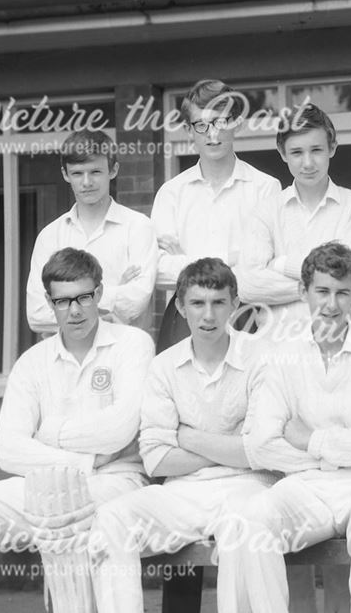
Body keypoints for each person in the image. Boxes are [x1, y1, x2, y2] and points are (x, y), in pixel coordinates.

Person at [0, 248, 153, 613]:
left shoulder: (132, 344)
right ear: (50, 302)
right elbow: (9, 450)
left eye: (83, 297)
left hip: (117, 480)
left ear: (98, 294)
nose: (75, 310)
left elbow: (121, 428)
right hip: (57, 480)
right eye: (63, 301)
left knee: (68, 505)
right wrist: (84, 460)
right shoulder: (33, 363)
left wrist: (49, 432)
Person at [219, 241, 351, 613]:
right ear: (303, 292)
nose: (331, 304)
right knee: (255, 517)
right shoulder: (280, 358)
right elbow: (261, 445)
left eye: (343, 293)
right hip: (308, 487)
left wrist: (312, 438)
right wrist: (347, 447)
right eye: (322, 291)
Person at [91, 258, 276, 613]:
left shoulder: (260, 357)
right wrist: (230, 445)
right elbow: (157, 458)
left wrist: (188, 437)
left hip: (246, 487)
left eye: (219, 302)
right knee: (112, 518)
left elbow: (261, 450)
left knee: (245, 525)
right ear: (179, 306)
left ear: (235, 304)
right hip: (183, 491)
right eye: (197, 303)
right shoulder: (163, 366)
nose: (208, 315)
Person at [151, 79, 281, 346]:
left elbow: (265, 268)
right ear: (189, 130)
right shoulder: (171, 192)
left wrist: (187, 262)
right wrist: (231, 258)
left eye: (221, 122)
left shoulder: (265, 188)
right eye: (202, 125)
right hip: (184, 318)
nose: (212, 134)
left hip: (246, 315)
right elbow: (158, 269)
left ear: (238, 124)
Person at [240, 103, 351, 339]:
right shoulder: (264, 211)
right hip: (274, 347)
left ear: (332, 148)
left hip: (337, 342)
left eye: (316, 150)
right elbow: (248, 286)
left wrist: (280, 265)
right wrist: (325, 286)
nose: (308, 163)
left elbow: (348, 277)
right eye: (297, 152)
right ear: (282, 154)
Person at [26, 129, 158, 333]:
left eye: (95, 172)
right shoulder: (50, 236)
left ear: (113, 170)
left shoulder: (138, 227)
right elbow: (36, 315)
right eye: (77, 173)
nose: (86, 182)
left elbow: (136, 302)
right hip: (65, 359)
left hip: (122, 353)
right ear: (65, 174)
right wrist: (115, 292)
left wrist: (64, 301)